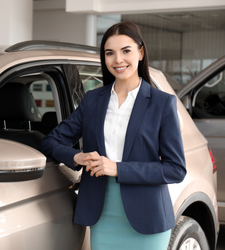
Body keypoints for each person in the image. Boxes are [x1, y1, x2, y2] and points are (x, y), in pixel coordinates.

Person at [39, 21, 186, 249]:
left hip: (148, 220)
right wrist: (77, 157)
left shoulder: (162, 103)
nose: (118, 60)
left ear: (140, 51)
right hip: (102, 215)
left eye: (125, 51)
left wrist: (117, 168)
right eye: (110, 53)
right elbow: (51, 141)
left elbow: (175, 169)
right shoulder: (93, 100)